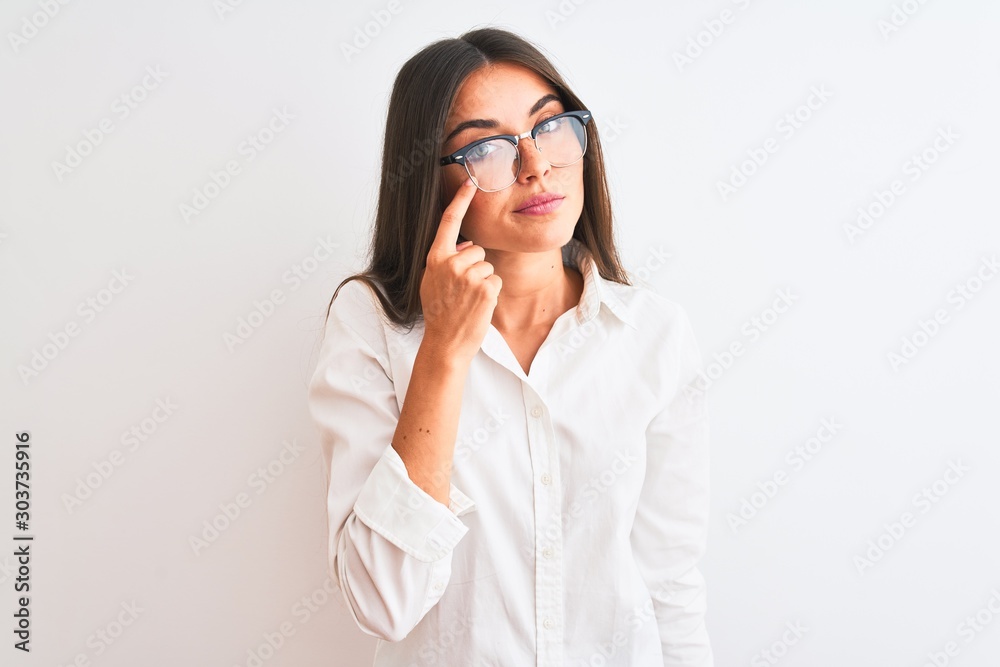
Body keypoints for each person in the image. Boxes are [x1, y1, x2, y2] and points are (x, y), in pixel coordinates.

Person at [307, 26, 714, 666]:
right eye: (488, 148)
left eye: (550, 127)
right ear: (430, 180)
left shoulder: (654, 335)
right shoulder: (374, 325)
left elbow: (669, 584)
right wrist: (443, 350)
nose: (535, 165)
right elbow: (383, 601)